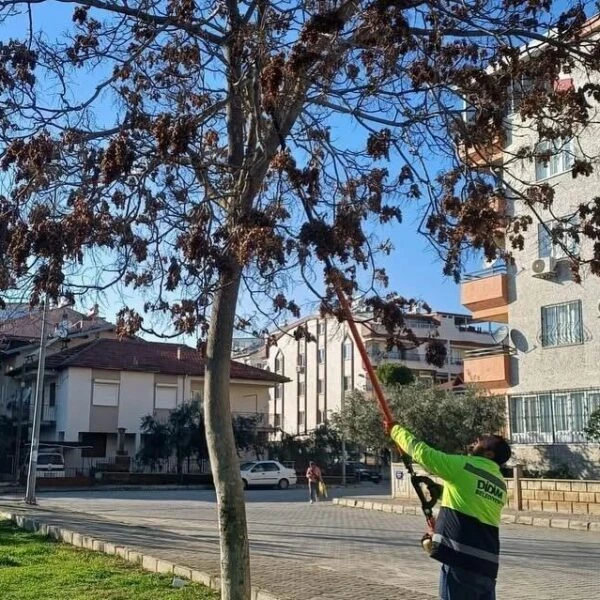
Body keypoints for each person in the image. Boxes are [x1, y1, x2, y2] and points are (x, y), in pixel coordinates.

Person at [385, 421, 511, 600]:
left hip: (461, 560)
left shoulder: (466, 466)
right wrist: (443, 492)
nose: (478, 439)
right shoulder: (499, 483)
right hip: (487, 567)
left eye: (484, 439)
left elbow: (424, 453)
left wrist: (395, 430)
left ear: (489, 453)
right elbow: (473, 501)